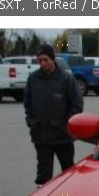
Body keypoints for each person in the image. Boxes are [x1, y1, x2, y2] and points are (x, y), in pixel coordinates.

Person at [24, 44, 83, 186]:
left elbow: (77, 105)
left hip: (63, 136)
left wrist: (66, 125)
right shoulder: (33, 79)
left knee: (68, 171)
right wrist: (31, 121)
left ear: (52, 59)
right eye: (40, 60)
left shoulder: (66, 79)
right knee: (43, 174)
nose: (43, 63)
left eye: (46, 60)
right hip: (41, 136)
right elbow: (28, 103)